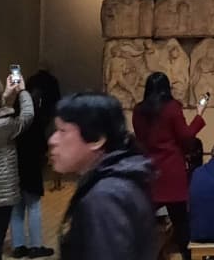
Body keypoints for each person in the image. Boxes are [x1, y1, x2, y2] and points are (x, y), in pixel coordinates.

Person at [49, 92, 156, 260]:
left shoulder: (104, 197)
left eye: (63, 131)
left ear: (96, 139)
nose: (53, 140)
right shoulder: (118, 179)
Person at [132, 72, 206, 260]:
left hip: (149, 171)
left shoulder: (138, 111)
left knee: (145, 224)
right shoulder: (172, 108)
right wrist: (199, 115)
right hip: (172, 172)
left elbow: (140, 139)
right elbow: (186, 138)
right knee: (181, 225)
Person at [0, 74, 34, 260]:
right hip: (3, 193)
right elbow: (27, 116)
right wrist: (22, 91)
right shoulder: (7, 125)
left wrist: (4, 96)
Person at [10, 86, 54, 257]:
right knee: (34, 207)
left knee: (17, 209)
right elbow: (42, 147)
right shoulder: (36, 122)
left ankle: (18, 246)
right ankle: (35, 246)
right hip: (32, 169)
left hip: (14, 169)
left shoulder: (11, 122)